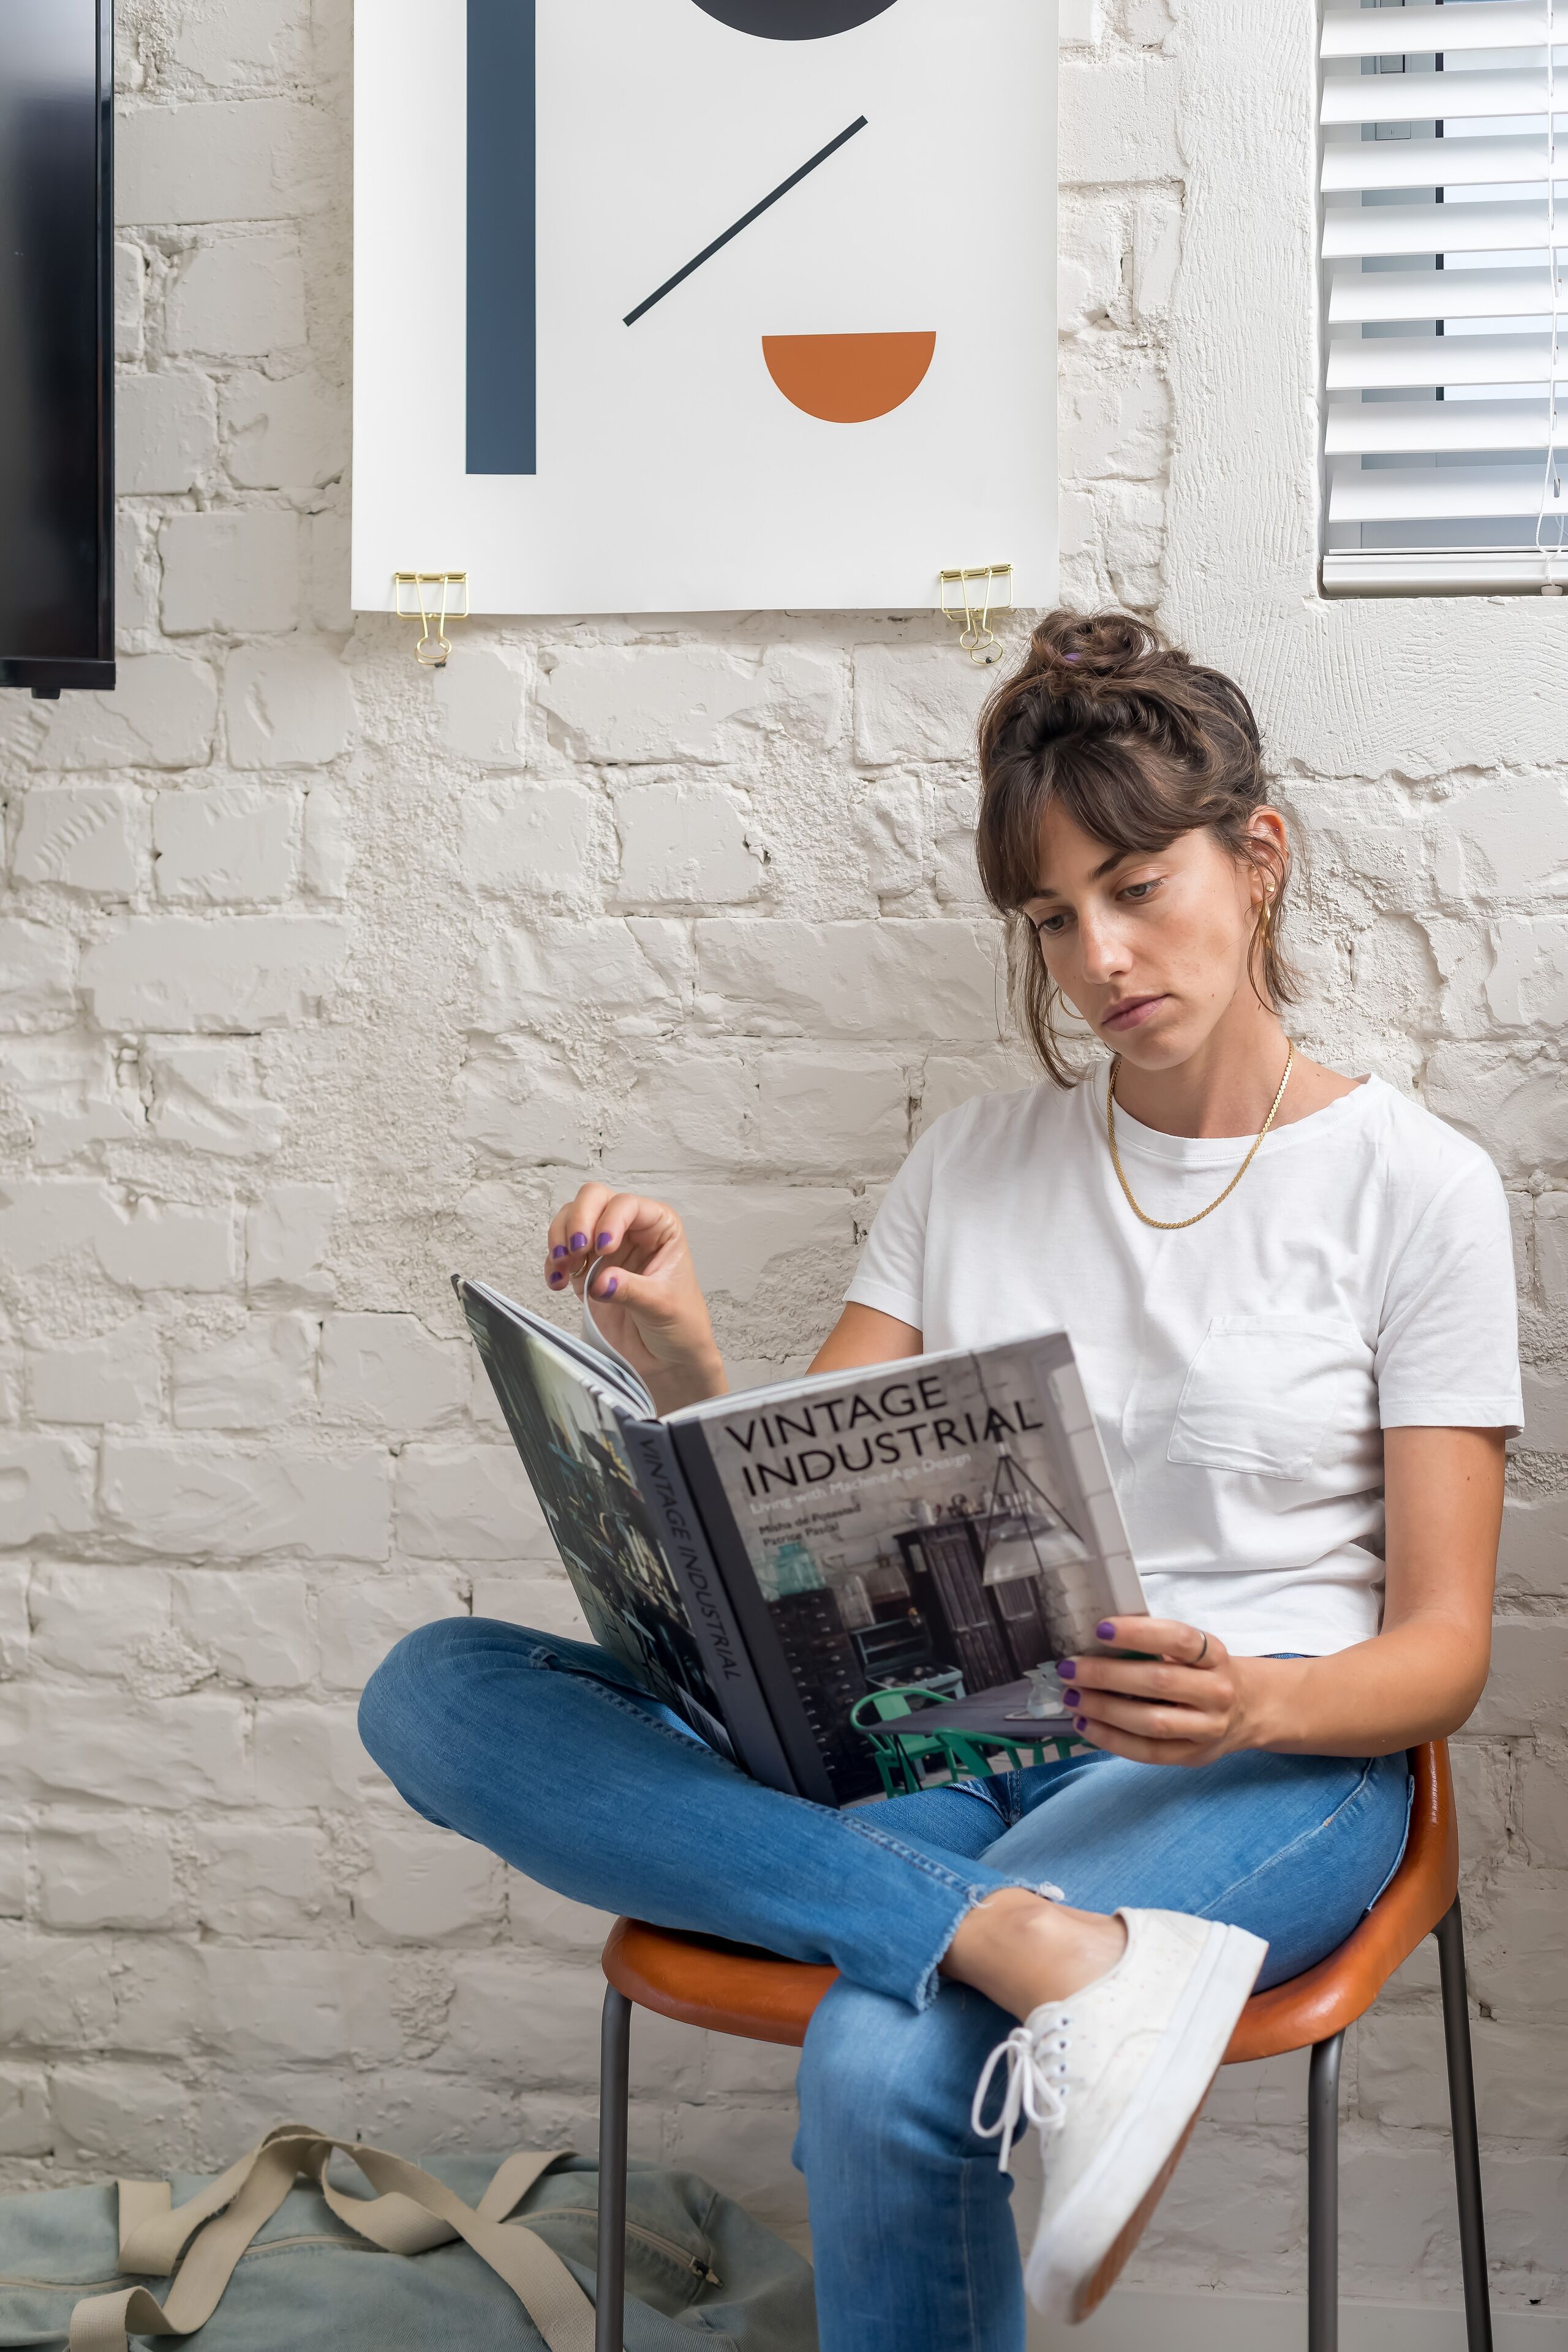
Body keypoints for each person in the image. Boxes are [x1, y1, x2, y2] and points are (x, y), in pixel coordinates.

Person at [360, 611, 1519, 2350]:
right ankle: (1041, 1950)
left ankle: (995, 1939)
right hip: (946, 1753)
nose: (1100, 955)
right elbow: (797, 1530)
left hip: (1258, 1761)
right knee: (435, 1692)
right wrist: (678, 1359)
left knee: (888, 2051)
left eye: (1134, 886)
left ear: (1256, 857)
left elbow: (1446, 1655)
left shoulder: (1416, 1189)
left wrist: (1252, 1700)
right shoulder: (972, 1164)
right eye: (1054, 920)